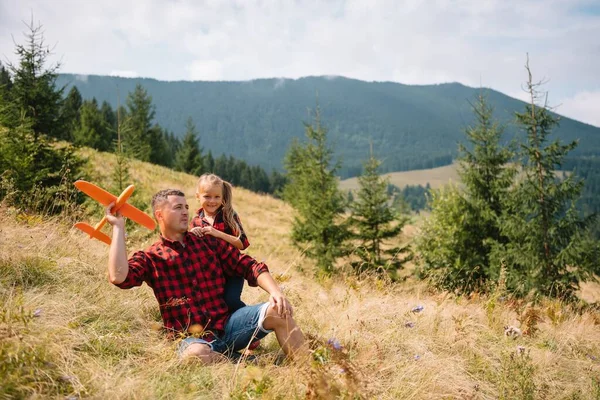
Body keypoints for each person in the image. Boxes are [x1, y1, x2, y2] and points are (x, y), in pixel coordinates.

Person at [106, 188, 306, 363]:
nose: (185, 212)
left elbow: (249, 266)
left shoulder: (207, 241)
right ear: (160, 214)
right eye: (177, 208)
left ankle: (310, 371)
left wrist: (275, 292)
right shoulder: (152, 256)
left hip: (228, 327)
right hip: (191, 338)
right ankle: (244, 363)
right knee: (195, 354)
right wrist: (118, 227)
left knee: (279, 310)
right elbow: (119, 277)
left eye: (186, 207)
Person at [190, 173, 249, 312]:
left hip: (233, 270)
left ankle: (252, 318)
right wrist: (192, 234)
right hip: (211, 275)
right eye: (207, 196)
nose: (212, 201)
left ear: (223, 198)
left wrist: (218, 233)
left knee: (231, 301)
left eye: (217, 197)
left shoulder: (229, 215)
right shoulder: (195, 221)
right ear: (197, 196)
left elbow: (242, 243)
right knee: (216, 306)